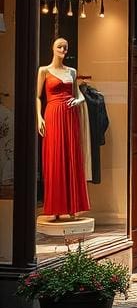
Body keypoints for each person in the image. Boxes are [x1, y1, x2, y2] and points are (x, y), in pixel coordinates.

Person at [36, 37, 90, 220]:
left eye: (66, 48)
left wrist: (78, 101)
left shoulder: (72, 72)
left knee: (71, 157)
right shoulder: (44, 70)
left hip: (69, 116)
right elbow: (37, 96)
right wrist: (39, 117)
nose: (63, 50)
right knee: (54, 157)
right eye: (60, 46)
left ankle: (73, 206)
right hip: (52, 114)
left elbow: (79, 94)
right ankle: (56, 207)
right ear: (53, 48)